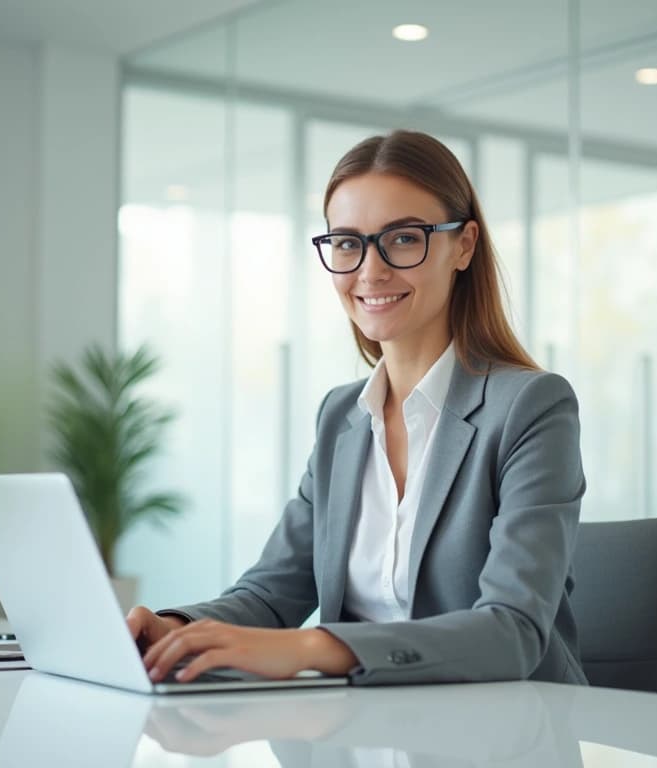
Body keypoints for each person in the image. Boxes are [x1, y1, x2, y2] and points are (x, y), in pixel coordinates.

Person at [126, 129, 587, 687]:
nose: (370, 270)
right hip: (365, 728)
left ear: (463, 245)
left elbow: (511, 631)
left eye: (403, 238)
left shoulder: (529, 407)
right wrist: (174, 628)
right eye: (347, 243)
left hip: (506, 730)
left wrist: (316, 647)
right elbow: (272, 593)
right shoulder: (342, 417)